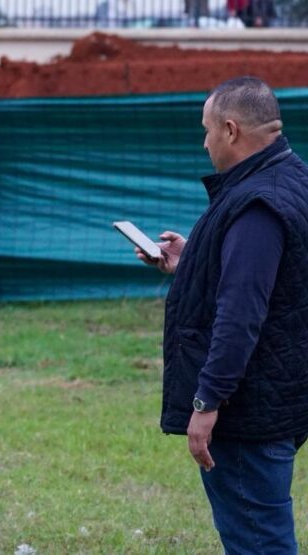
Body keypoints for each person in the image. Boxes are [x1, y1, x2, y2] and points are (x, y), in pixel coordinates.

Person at [137, 76, 308, 553]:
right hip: (280, 396)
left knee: (259, 541)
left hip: (247, 411)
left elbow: (241, 314)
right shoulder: (292, 179)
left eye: (207, 129)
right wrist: (192, 260)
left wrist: (206, 402)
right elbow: (278, 281)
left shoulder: (256, 204)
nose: (205, 141)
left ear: (231, 130)